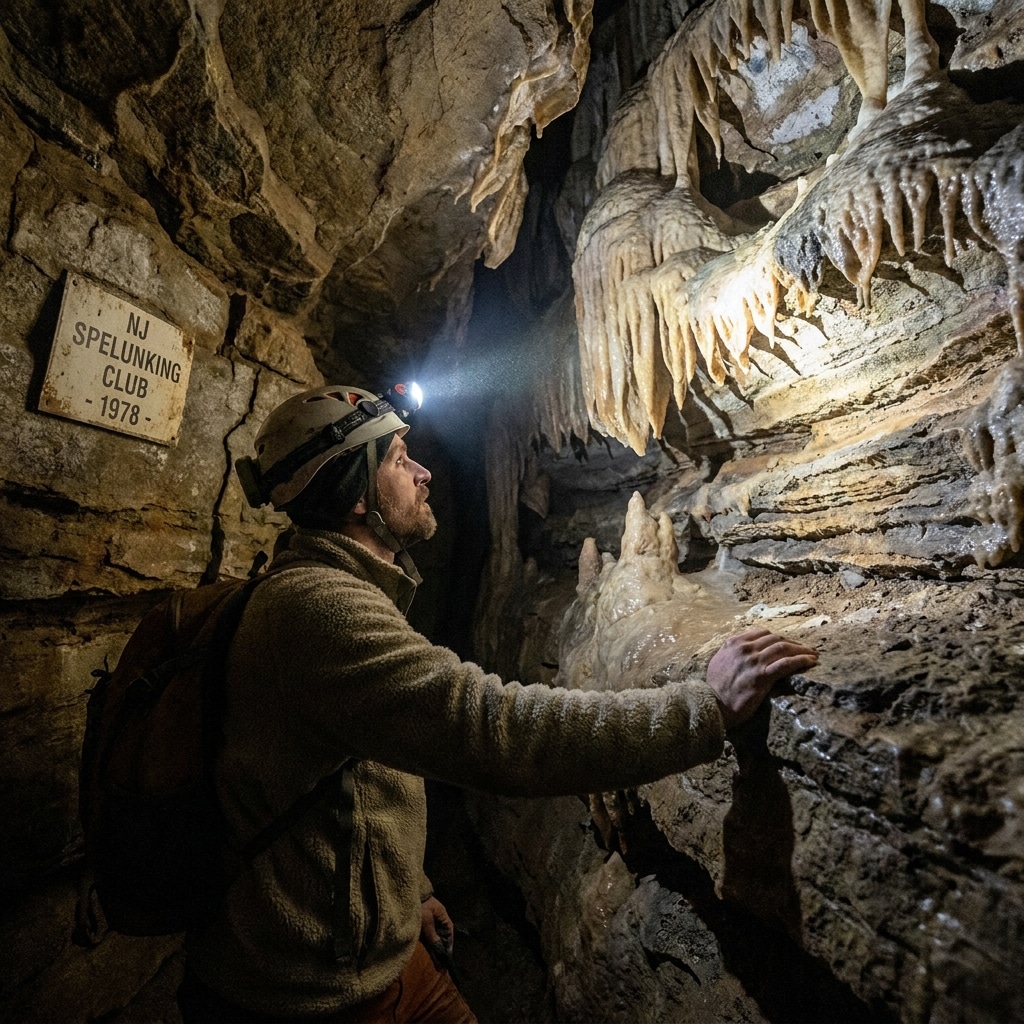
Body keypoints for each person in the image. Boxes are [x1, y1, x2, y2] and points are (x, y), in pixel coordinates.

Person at [178, 384, 818, 1023]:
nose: (424, 472)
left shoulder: (335, 593)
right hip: (306, 997)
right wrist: (701, 708)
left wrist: (410, 894)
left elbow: (363, 769)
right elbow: (491, 728)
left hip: (375, 958)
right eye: (400, 460)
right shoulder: (320, 612)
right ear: (356, 494)